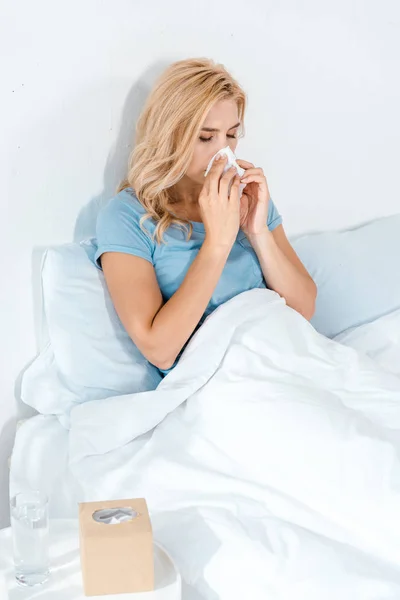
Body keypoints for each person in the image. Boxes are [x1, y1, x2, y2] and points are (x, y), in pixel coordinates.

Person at [94, 58, 317, 376]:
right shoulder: (127, 217)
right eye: (205, 137)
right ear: (170, 135)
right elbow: (159, 350)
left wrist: (258, 232)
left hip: (286, 360)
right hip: (218, 383)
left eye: (231, 135)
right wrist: (217, 243)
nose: (223, 152)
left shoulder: (247, 196)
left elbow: (304, 308)